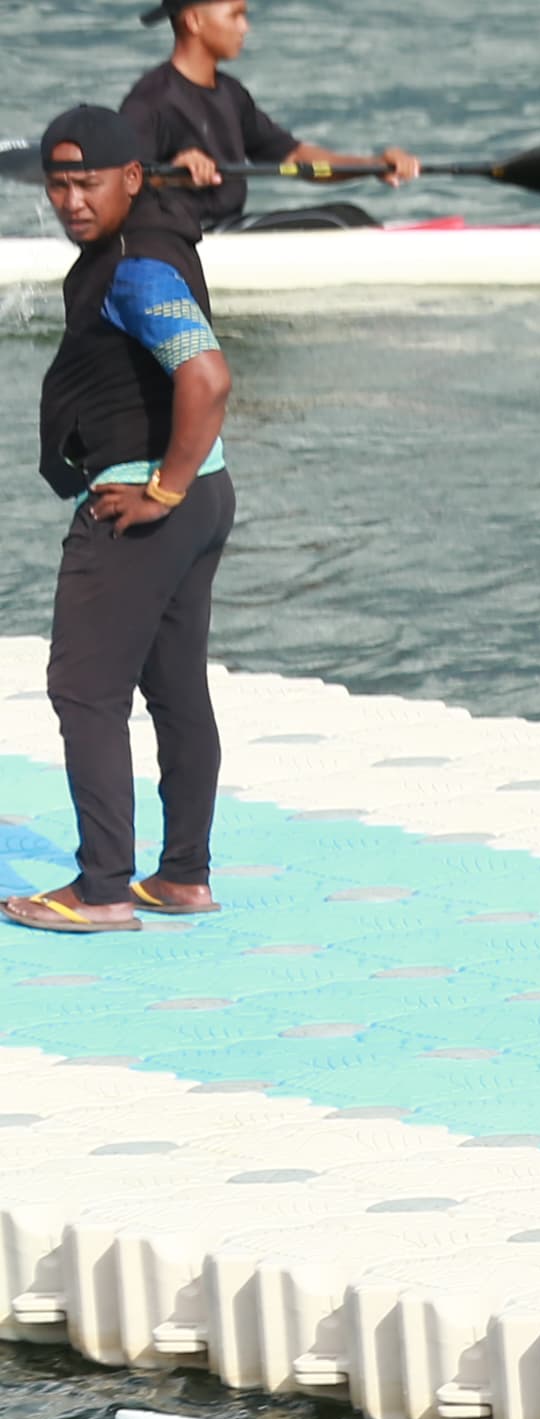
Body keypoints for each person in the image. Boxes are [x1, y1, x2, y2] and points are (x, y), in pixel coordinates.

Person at [10, 108, 232, 937]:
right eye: (57, 184)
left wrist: (162, 492)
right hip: (201, 496)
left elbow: (206, 377)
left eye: (87, 182)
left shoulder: (137, 272)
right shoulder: (129, 257)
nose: (70, 199)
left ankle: (102, 888)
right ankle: (182, 878)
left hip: (147, 506)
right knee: (175, 689)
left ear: (131, 181)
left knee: (85, 690)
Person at [124, 0, 418, 239]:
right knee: (339, 225)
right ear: (194, 22)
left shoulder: (231, 94)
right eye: (235, 15)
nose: (245, 27)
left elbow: (297, 158)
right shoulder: (150, 100)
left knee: (349, 215)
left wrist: (375, 166)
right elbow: (118, 183)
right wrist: (169, 174)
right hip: (185, 240)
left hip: (228, 230)